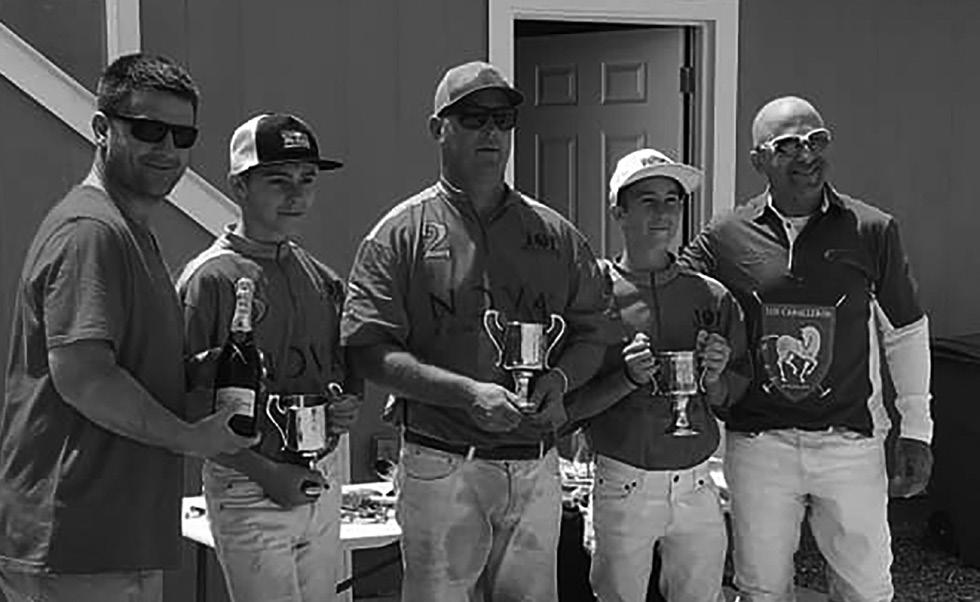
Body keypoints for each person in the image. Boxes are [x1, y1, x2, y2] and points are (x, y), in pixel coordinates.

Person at [340, 60, 619, 602]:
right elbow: (368, 351)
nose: (491, 130)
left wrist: (559, 381)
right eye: (472, 117)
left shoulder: (556, 233)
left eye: (503, 118)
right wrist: (466, 394)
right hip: (442, 462)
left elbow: (595, 333)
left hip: (535, 464)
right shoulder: (400, 234)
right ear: (438, 128)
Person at [0, 53, 257, 602]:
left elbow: (122, 369)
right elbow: (85, 377)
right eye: (147, 130)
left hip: (114, 537)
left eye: (183, 136)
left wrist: (199, 373)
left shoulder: (129, 231)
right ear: (102, 128)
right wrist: (192, 438)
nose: (168, 149)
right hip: (75, 539)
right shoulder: (91, 231)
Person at [679, 96, 933, 601]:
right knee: (762, 590)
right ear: (758, 160)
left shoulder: (872, 229)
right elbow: (671, 291)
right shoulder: (725, 236)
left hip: (850, 443)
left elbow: (905, 331)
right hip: (759, 444)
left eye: (817, 140)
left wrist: (917, 431)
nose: (807, 155)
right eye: (788, 145)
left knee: (867, 590)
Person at [177, 113, 362, 602]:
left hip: (320, 474)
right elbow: (185, 406)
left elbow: (343, 373)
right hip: (248, 481)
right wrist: (266, 473)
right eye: (278, 180)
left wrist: (345, 406)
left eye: (307, 180)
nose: (296, 195)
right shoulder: (210, 279)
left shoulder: (322, 278)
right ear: (239, 185)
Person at [560, 148, 749, 601]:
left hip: (697, 483)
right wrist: (625, 378)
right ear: (618, 211)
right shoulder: (591, 294)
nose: (663, 213)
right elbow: (567, 408)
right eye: (648, 201)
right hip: (623, 482)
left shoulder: (712, 296)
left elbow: (732, 399)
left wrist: (715, 375)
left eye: (673, 200)